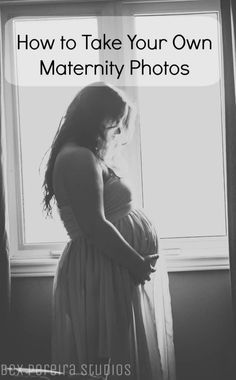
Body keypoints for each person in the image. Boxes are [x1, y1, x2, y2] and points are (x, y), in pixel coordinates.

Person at [42, 82, 175, 380]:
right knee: (104, 362)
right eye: (113, 123)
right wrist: (135, 263)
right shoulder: (77, 156)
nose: (116, 131)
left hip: (108, 266)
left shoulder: (87, 154)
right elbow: (95, 225)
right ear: (95, 117)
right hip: (100, 268)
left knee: (114, 356)